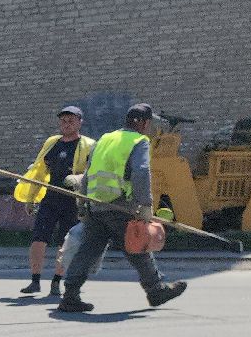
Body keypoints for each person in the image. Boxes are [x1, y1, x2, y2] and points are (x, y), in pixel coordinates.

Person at [58, 103, 186, 314]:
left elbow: (89, 172)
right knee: (137, 246)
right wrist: (145, 205)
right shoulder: (138, 141)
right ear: (144, 123)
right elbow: (141, 172)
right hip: (119, 206)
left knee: (88, 250)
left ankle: (70, 295)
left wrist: (84, 204)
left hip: (96, 206)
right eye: (149, 123)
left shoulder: (105, 139)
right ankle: (155, 290)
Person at [17, 106, 94, 297]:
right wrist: (31, 199)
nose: (67, 124)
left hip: (72, 200)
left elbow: (93, 173)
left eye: (71, 121)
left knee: (65, 243)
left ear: (79, 122)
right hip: (51, 197)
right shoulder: (52, 143)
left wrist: (78, 181)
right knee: (38, 238)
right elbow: (39, 171)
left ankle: (56, 282)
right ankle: (35, 281)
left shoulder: (88, 145)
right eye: (63, 121)